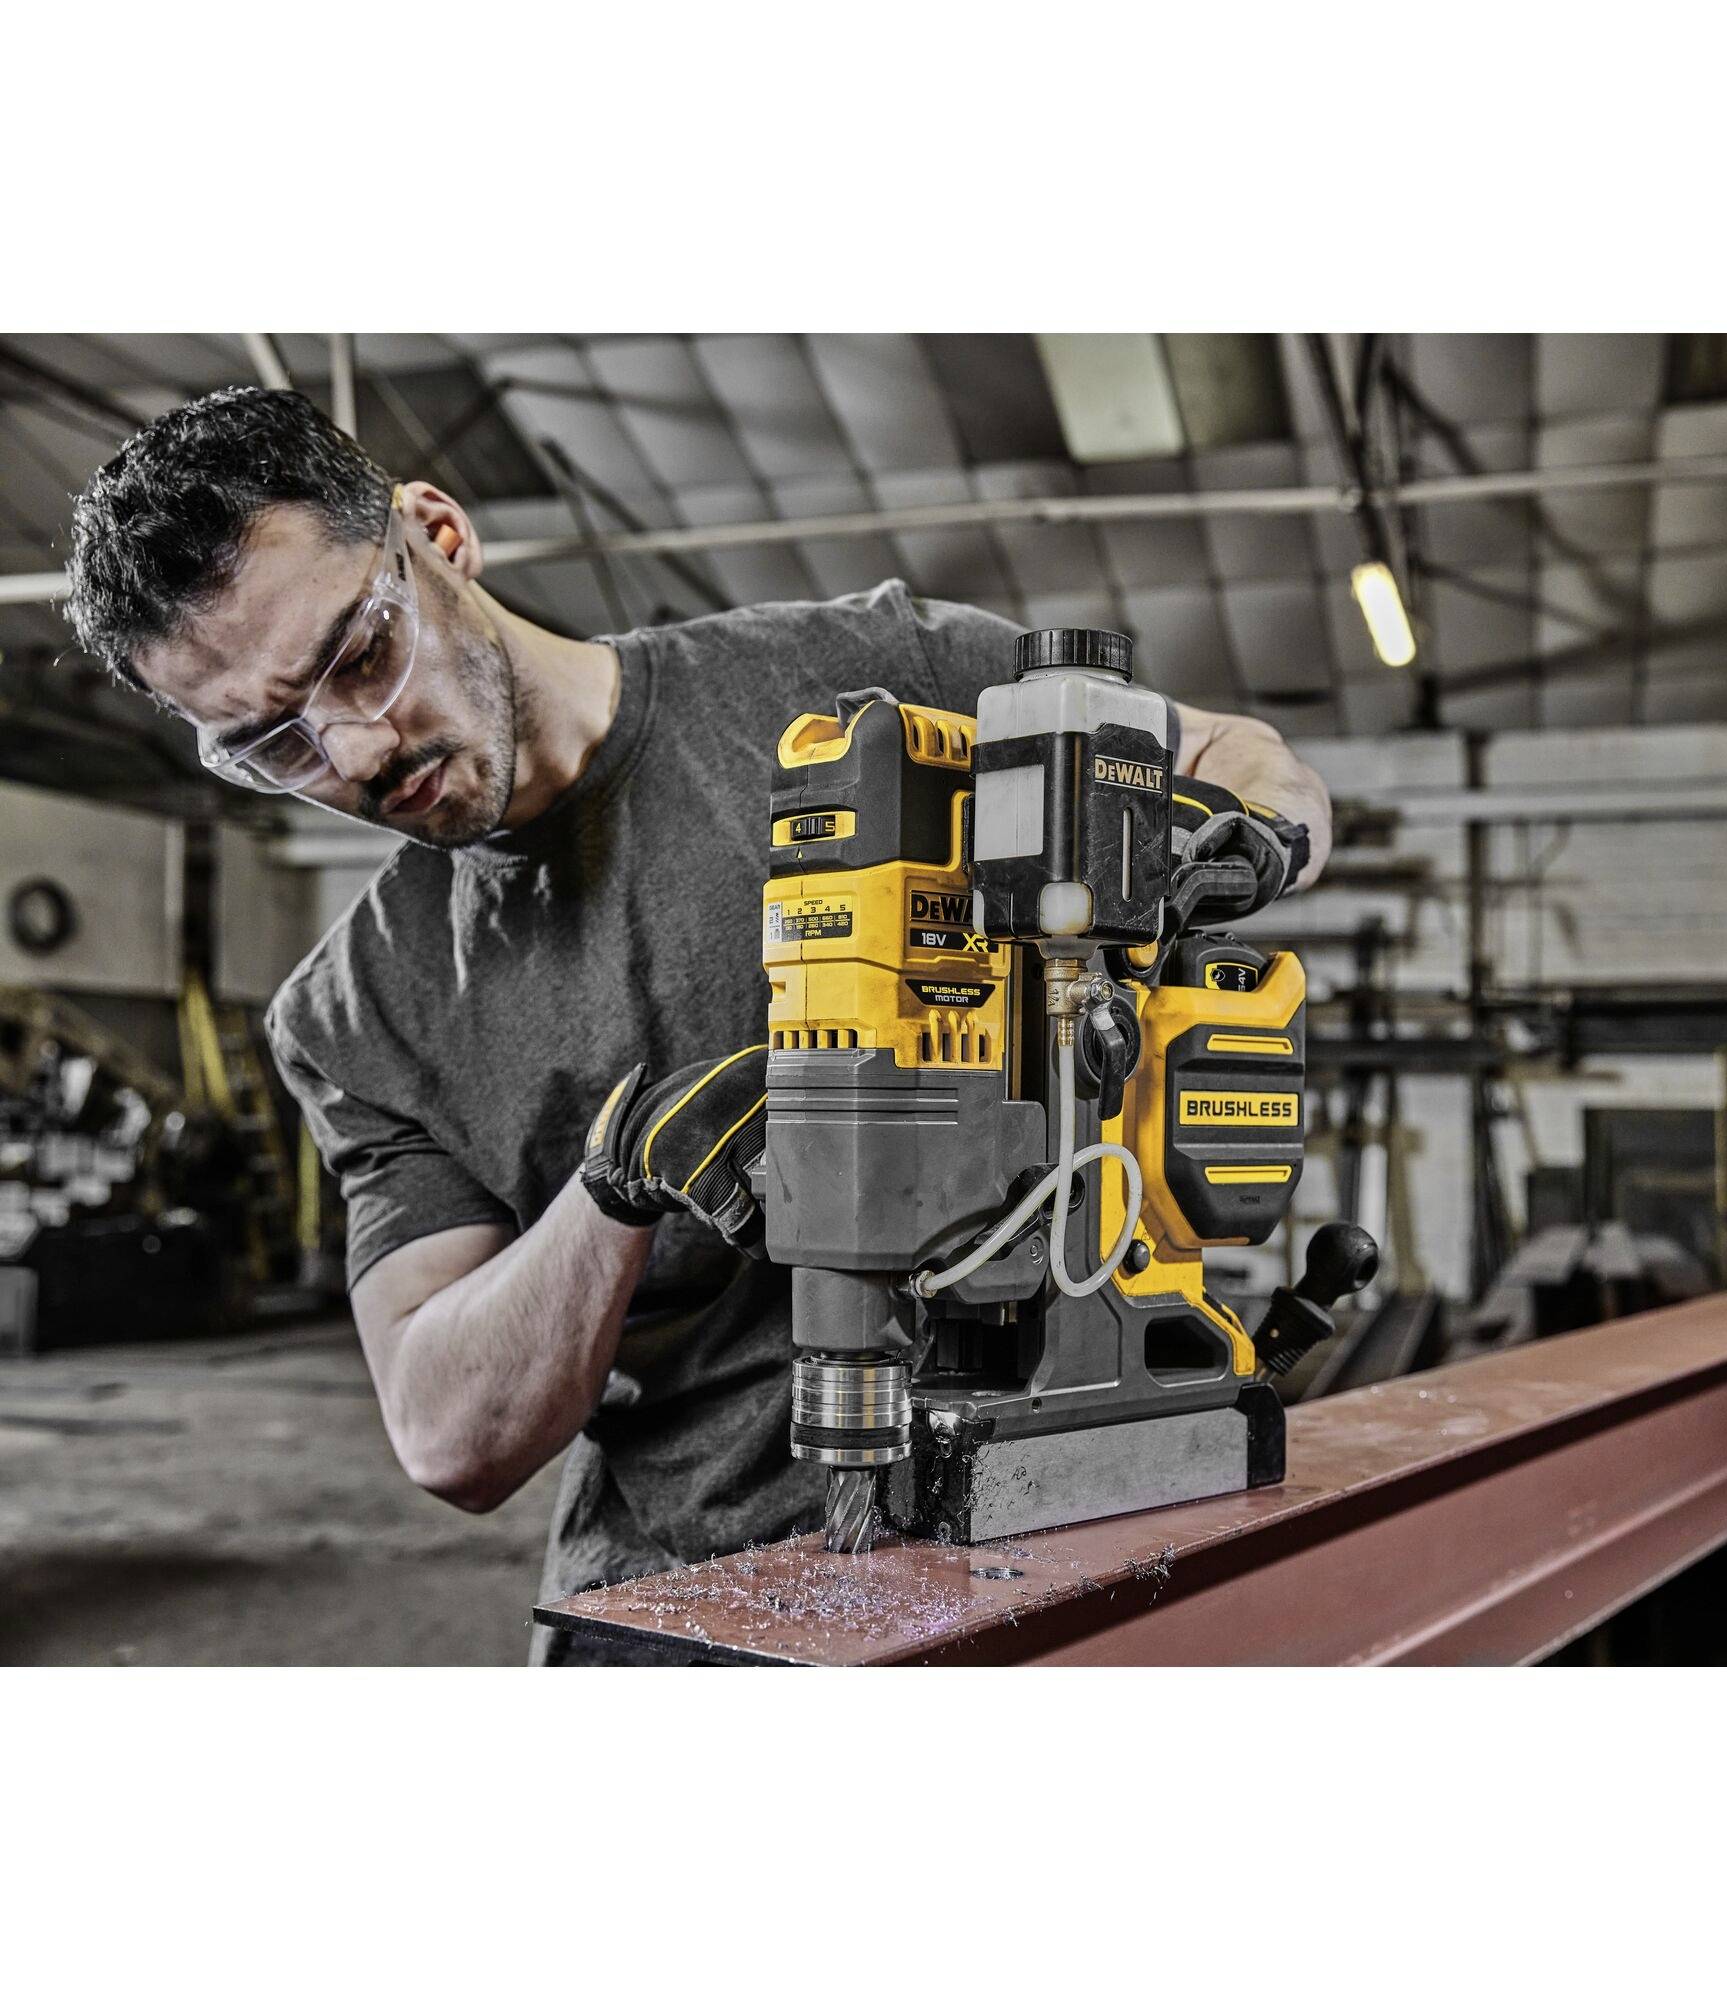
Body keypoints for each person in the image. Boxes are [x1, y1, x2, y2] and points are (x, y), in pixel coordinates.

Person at [65, 385, 1336, 1661]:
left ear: (438, 535)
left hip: (1082, 1489)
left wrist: (1215, 848)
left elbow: (1240, 750)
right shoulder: (361, 1008)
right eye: (272, 741)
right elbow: (448, 1437)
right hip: (695, 1598)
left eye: (358, 653)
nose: (352, 750)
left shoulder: (866, 676)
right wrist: (613, 1189)